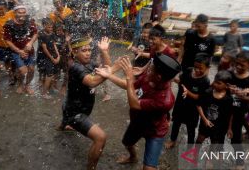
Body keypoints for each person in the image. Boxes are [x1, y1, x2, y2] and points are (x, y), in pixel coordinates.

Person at [96, 54, 180, 170]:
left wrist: (129, 77)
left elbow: (134, 104)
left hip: (155, 131)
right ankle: (133, 157)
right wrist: (109, 75)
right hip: (137, 124)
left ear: (159, 77)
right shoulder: (150, 77)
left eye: (152, 69)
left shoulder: (165, 100)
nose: (148, 69)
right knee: (127, 143)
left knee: (148, 168)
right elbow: (129, 86)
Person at [59, 36, 116, 170]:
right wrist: (114, 69)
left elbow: (107, 67)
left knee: (66, 112)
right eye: (83, 50)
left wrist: (104, 51)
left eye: (89, 50)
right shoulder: (75, 67)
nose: (88, 53)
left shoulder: (90, 64)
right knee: (101, 137)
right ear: (74, 52)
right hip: (76, 113)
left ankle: (62, 125)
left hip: (71, 105)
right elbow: (92, 81)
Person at [165, 53, 211, 149]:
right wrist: (172, 79)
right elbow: (181, 81)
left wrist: (187, 92)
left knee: (191, 129)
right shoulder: (189, 70)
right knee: (176, 123)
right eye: (195, 67)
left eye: (200, 68)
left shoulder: (205, 81)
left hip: (193, 109)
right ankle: (172, 140)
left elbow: (198, 98)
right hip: (180, 103)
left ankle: (190, 147)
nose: (197, 70)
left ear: (207, 68)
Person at [195, 71, 233, 167]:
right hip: (205, 123)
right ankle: (194, 156)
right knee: (199, 139)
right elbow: (198, 105)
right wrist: (204, 119)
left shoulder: (228, 99)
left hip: (219, 128)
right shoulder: (208, 92)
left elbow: (230, 115)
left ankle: (209, 159)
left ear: (226, 85)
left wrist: (229, 128)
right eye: (215, 81)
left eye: (219, 83)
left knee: (214, 144)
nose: (215, 84)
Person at [228, 51, 249, 168]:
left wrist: (243, 95)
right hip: (228, 109)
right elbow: (222, 84)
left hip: (241, 111)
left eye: (242, 65)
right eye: (237, 64)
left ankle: (240, 161)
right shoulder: (231, 73)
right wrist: (229, 87)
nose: (238, 67)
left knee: (235, 139)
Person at [4, 5, 38, 94]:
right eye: (19, 12)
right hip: (16, 51)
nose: (22, 14)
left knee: (31, 69)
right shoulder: (9, 24)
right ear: (15, 13)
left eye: (24, 12)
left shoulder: (30, 22)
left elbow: (35, 34)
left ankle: (27, 85)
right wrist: (19, 51)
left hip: (29, 50)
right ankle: (20, 84)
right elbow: (8, 41)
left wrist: (30, 43)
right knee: (22, 71)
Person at [89, 4, 111, 102]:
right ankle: (94, 87)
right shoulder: (93, 22)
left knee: (102, 70)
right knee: (94, 68)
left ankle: (107, 93)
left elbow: (108, 38)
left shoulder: (105, 22)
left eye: (95, 12)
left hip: (102, 50)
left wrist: (105, 52)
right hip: (94, 49)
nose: (94, 14)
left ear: (99, 11)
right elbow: (93, 36)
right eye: (92, 13)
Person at [37, 18, 59, 99]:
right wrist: (52, 59)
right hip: (44, 57)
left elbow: (54, 45)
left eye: (51, 27)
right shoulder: (41, 34)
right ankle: (44, 93)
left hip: (53, 55)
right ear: (44, 26)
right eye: (49, 27)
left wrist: (58, 55)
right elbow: (45, 49)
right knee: (48, 74)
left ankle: (51, 87)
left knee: (53, 73)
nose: (50, 29)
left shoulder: (52, 34)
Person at [54, 23, 69, 96]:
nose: (58, 32)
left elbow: (65, 47)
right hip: (57, 57)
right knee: (56, 72)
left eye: (60, 30)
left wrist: (66, 41)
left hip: (64, 57)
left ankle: (64, 87)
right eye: (57, 30)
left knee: (66, 72)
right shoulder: (53, 36)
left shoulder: (65, 37)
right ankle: (55, 85)